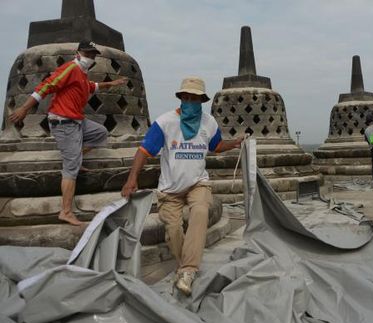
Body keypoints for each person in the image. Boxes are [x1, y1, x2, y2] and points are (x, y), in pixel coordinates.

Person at [121, 76, 243, 296]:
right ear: (180, 98)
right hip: (170, 190)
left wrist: (233, 144)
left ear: (201, 101)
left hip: (198, 183)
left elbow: (216, 146)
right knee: (174, 231)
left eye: (195, 98)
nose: (190, 101)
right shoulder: (165, 123)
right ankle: (184, 266)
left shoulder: (209, 123)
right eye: (186, 97)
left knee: (200, 211)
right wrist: (132, 179)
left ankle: (188, 270)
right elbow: (143, 151)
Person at [8, 40, 127, 226]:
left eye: (93, 55)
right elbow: (47, 86)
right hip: (63, 122)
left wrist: (113, 83)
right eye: (88, 54)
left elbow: (92, 87)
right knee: (70, 169)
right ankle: (66, 211)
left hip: (77, 120)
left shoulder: (81, 73)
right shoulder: (70, 68)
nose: (91, 58)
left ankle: (76, 159)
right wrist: (24, 109)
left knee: (100, 133)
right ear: (78, 53)